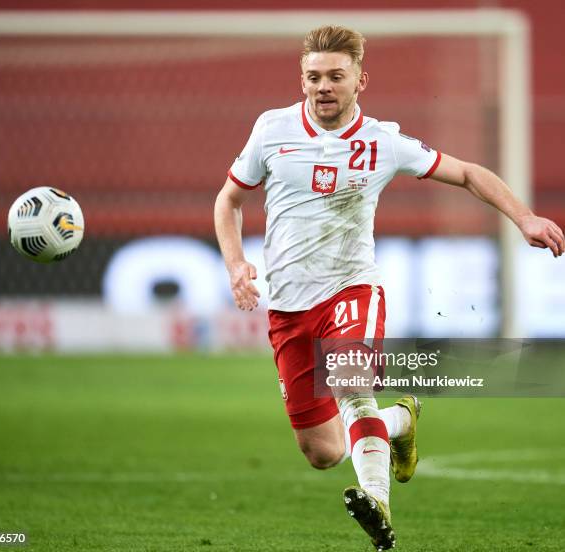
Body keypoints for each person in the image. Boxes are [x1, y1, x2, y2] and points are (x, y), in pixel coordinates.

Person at [213, 25, 564, 551]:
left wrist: (525, 217)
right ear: (302, 79)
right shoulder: (272, 130)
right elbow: (229, 201)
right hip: (288, 307)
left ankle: (376, 501)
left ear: (360, 79)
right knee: (323, 452)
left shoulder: (383, 141)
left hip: (352, 288)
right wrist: (236, 263)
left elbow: (467, 173)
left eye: (336, 76)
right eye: (314, 77)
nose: (323, 87)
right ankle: (402, 419)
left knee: (352, 383)